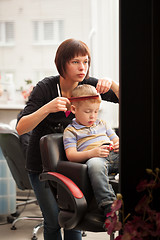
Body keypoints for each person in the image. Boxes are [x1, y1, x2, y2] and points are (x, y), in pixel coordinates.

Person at [16, 38, 119, 240]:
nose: (83, 67)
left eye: (86, 61)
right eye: (75, 62)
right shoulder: (45, 87)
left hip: (73, 164)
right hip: (42, 166)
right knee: (53, 220)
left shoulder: (87, 85)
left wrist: (113, 84)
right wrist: (48, 108)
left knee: (74, 219)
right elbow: (21, 128)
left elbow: (133, 98)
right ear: (62, 63)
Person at [63, 84, 119, 219]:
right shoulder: (71, 131)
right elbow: (71, 155)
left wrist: (118, 145)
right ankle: (108, 205)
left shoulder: (102, 123)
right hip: (95, 159)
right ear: (74, 109)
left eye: (96, 111)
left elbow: (116, 140)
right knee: (95, 165)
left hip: (112, 155)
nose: (93, 116)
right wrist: (92, 153)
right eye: (88, 112)